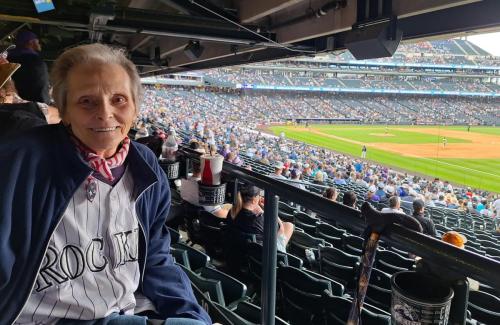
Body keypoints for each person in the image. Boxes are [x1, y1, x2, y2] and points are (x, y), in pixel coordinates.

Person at [0, 44, 210, 324]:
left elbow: (156, 258)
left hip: (128, 310)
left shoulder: (144, 164)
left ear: (135, 107)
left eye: (119, 100)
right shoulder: (18, 164)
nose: (105, 113)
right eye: (87, 101)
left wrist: (190, 314)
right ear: (63, 109)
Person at [229, 185, 294, 252]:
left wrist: (260, 210)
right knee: (289, 226)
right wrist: (269, 209)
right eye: (259, 195)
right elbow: (281, 230)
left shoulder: (232, 212)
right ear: (254, 200)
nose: (260, 197)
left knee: (288, 225)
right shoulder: (259, 219)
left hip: (239, 252)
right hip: (264, 255)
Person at [7, 30, 51, 104]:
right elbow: (41, 87)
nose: (40, 45)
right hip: (32, 107)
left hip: (11, 102)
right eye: (38, 42)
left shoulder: (7, 59)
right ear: (31, 43)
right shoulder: (36, 62)